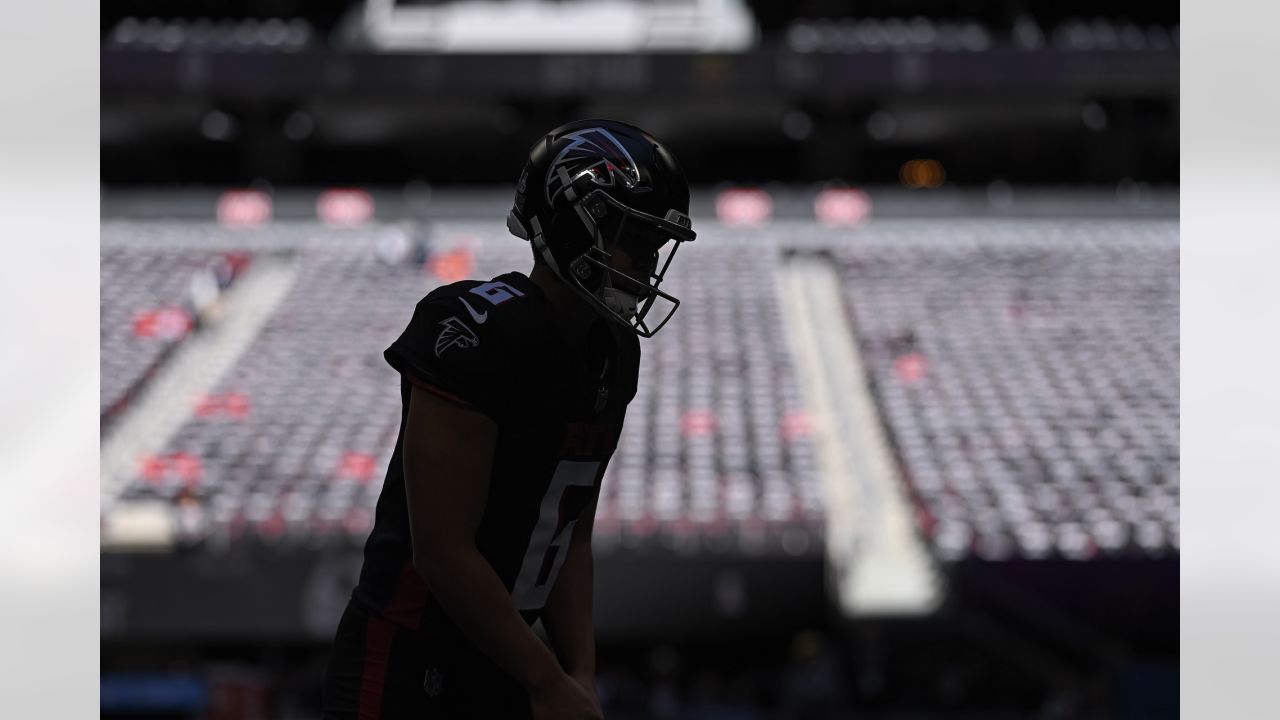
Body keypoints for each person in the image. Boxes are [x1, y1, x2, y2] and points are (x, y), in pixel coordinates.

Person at [321, 119, 697, 720]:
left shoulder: (612, 353)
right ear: (578, 222)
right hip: (408, 659)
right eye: (636, 240)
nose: (648, 266)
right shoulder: (478, 327)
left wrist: (579, 673)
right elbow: (441, 550)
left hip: (505, 661)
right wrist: (549, 682)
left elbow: (569, 532)